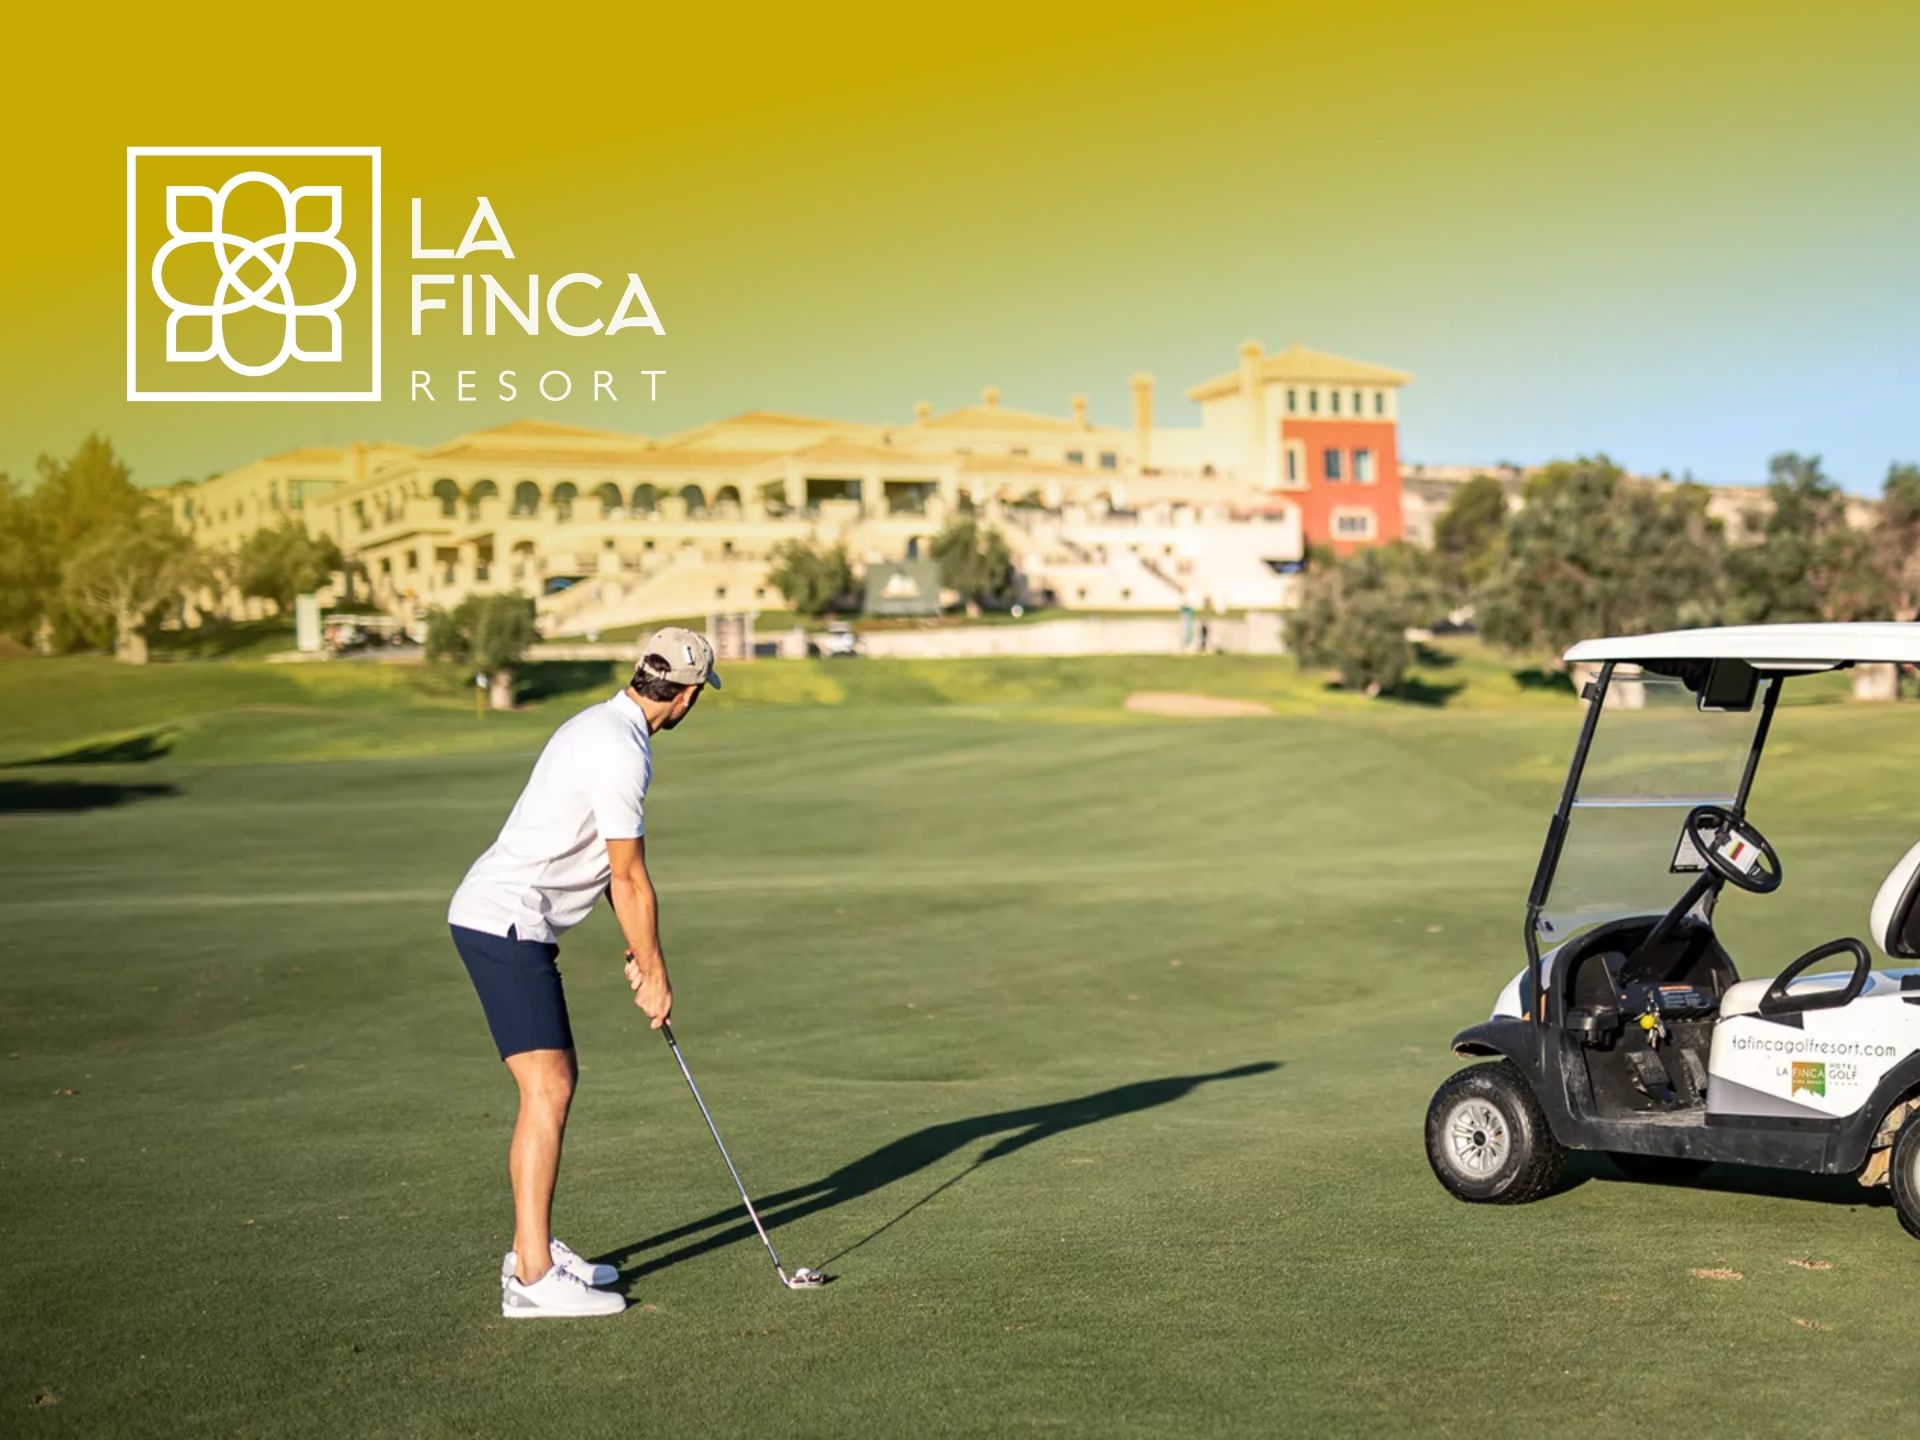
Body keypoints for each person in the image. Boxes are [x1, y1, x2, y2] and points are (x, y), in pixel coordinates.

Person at [447, 626, 720, 1318]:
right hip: (507, 923)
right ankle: (532, 1281)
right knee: (550, 1087)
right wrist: (654, 971)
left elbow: (596, 857)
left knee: (553, 1081)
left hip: (502, 917)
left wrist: (637, 945)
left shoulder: (599, 725)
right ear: (685, 697)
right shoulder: (623, 751)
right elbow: (629, 877)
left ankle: (529, 1249)